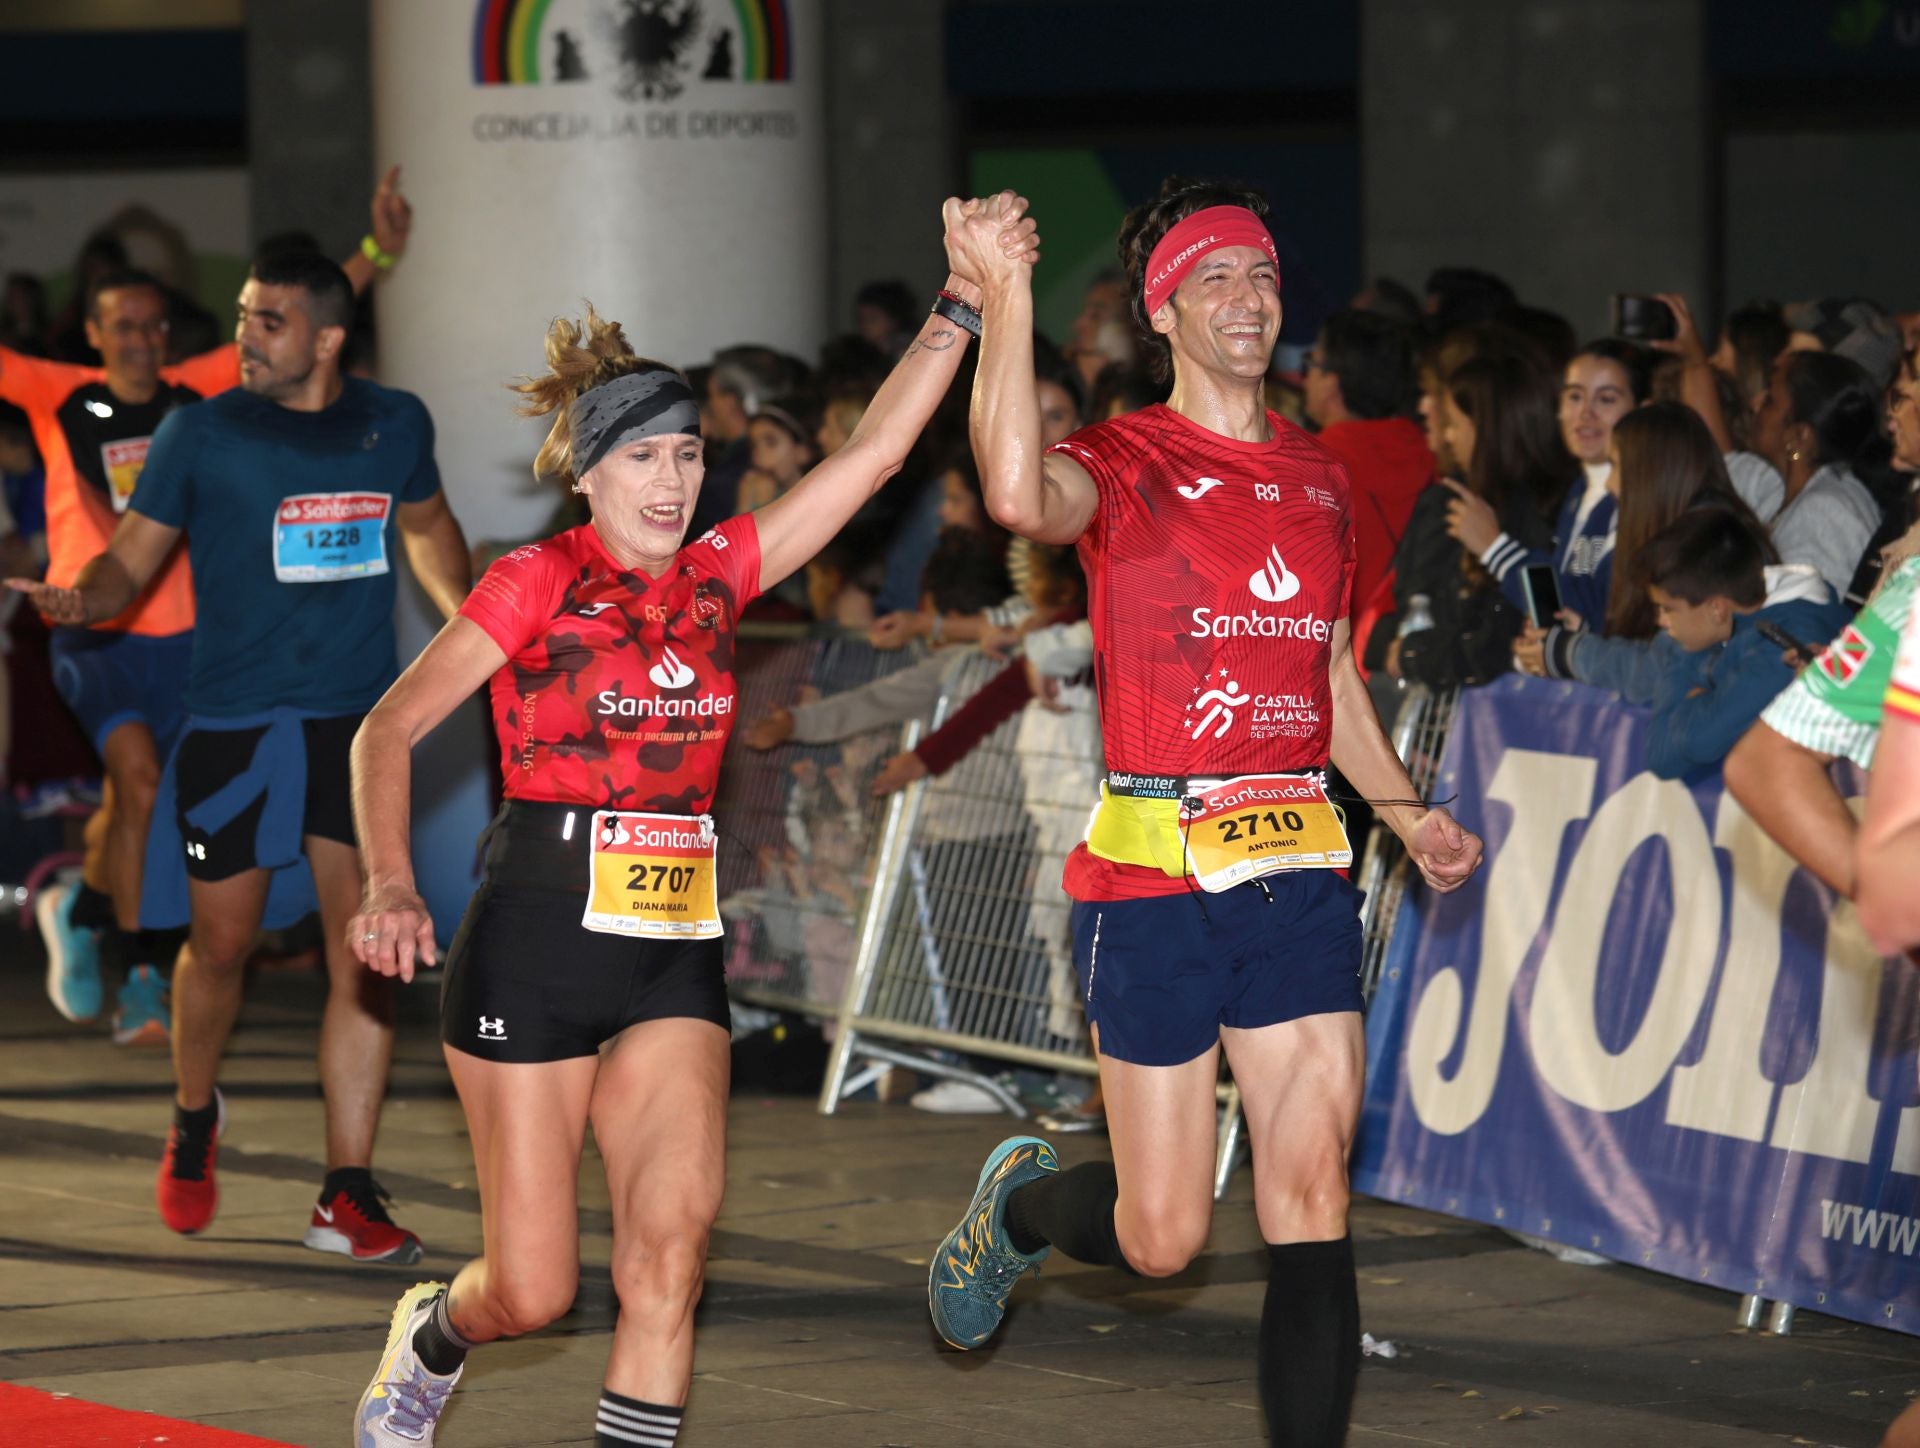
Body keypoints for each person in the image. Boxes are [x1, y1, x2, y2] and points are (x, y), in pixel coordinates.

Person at [341, 194, 1035, 1448]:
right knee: (534, 1288)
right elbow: (386, 729)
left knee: (670, 1258)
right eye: (644, 458)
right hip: (535, 943)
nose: (673, 482)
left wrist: (963, 306)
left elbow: (871, 457)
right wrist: (390, 882)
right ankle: (435, 1331)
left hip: (670, 947)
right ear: (589, 468)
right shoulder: (532, 581)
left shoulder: (721, 575)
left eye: (688, 456)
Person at [926, 175, 1483, 1447]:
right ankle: (1015, 1214)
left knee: (1310, 1189)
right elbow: (1015, 491)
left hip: (1296, 867)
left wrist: (1404, 814)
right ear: (1164, 312)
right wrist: (1003, 297)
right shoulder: (1124, 462)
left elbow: (1330, 672)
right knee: (1162, 1235)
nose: (1249, 299)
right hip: (1156, 873)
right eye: (1216, 279)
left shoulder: (1323, 477)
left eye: (1265, 275)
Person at [7, 248, 469, 1261]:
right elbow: (130, 558)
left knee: (368, 959)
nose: (244, 338)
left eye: (267, 321)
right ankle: (192, 1110)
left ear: (327, 337)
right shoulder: (200, 431)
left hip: (352, 727)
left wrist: (473, 631)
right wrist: (84, 597)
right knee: (222, 948)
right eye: (244, 316)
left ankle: (343, 1187)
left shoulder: (394, 423)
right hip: (233, 726)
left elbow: (432, 531)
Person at [2, 169, 414, 1044]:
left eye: (156, 325)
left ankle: (80, 897)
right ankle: (139, 960)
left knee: (132, 801)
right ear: (92, 333)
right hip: (96, 627)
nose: (145, 340)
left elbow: (308, 323)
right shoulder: (55, 392)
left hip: (192, 641)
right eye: (124, 327)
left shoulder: (200, 393)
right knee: (141, 781)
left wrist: (376, 250)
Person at [1517, 402, 1779, 687]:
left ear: (1653, 472)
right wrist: (1581, 635)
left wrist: (1570, 653)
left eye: (1616, 466)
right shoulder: (1695, 525)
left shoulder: (1712, 544)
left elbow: (1663, 671)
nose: (1609, 485)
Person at [1443, 340, 1644, 633]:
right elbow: (1559, 611)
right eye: (1574, 397)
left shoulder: (1639, 499)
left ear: (1643, 408)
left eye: (1606, 399)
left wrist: (1494, 548)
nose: (1585, 413)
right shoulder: (1578, 491)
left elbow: (1589, 610)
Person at [1637, 508, 1849, 779]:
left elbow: (1664, 756)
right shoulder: (1747, 619)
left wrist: (1693, 671)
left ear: (1717, 609)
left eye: (1668, 609)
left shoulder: (1783, 649)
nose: (1661, 623)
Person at [1301, 308, 1432, 631]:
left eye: (1311, 363)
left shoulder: (1311, 464)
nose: (1305, 377)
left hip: (1342, 656)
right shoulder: (1434, 452)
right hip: (1410, 645)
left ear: (1333, 383)